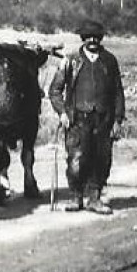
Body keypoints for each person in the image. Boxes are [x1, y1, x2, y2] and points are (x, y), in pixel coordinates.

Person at [48, 19, 125, 214]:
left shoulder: (109, 61)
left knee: (101, 160)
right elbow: (55, 90)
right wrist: (62, 113)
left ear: (100, 39)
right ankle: (75, 197)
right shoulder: (72, 60)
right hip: (77, 120)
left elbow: (118, 92)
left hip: (103, 120)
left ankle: (94, 199)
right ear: (83, 39)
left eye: (96, 37)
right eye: (89, 37)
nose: (92, 40)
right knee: (76, 160)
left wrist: (117, 120)